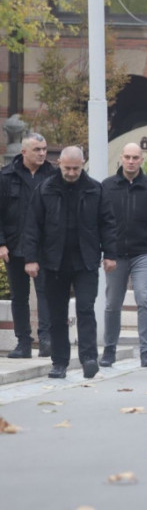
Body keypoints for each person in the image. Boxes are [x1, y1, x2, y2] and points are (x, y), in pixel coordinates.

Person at [23, 146, 117, 379]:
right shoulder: (45, 189)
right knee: (56, 314)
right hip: (53, 261)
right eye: (68, 168)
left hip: (86, 260)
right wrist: (31, 259)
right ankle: (59, 362)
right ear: (59, 164)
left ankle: (89, 358)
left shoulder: (95, 189)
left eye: (76, 168)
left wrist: (110, 254)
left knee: (86, 309)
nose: (72, 172)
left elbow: (107, 223)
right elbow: (33, 226)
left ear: (83, 164)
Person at [100, 143, 147, 369]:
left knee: (144, 299)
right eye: (127, 157)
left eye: (135, 157)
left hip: (143, 253)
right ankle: (109, 350)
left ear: (142, 159)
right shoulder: (107, 187)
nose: (131, 161)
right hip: (115, 255)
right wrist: (105, 252)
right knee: (112, 303)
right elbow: (99, 222)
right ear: (121, 158)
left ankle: (146, 351)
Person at [0, 133, 56, 358]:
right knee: (19, 296)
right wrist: (1, 244)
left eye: (44, 149)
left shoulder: (53, 176)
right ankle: (23, 343)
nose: (42, 153)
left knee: (46, 293)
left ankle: (46, 340)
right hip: (14, 245)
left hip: (44, 247)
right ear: (24, 152)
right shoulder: (6, 176)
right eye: (37, 150)